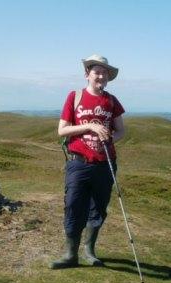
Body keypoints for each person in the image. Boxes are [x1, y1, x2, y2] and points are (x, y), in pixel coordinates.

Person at [50, 54, 126, 269]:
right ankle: (70, 255)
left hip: (104, 163)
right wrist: (90, 126)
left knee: (98, 208)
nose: (101, 76)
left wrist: (109, 140)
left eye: (105, 73)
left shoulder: (111, 101)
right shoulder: (74, 97)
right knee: (73, 205)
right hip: (79, 162)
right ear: (87, 75)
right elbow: (62, 130)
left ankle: (90, 252)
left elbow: (121, 131)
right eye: (97, 72)